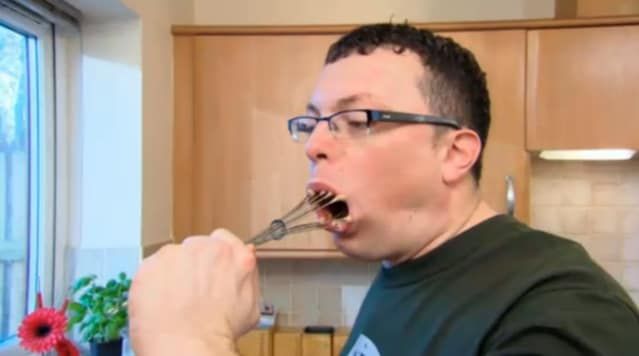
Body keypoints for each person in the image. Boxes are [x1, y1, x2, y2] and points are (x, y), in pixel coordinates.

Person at [128, 23, 639, 355]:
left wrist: (188, 343)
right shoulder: (402, 270)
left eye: (356, 118)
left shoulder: (561, 317)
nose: (314, 146)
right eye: (313, 124)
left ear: (455, 153)